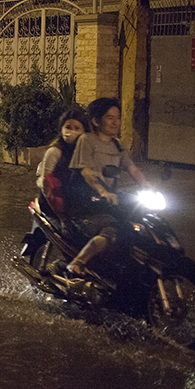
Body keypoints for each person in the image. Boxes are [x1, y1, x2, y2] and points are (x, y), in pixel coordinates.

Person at [65, 97, 149, 276]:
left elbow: (132, 168)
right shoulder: (87, 140)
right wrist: (102, 190)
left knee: (140, 224)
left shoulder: (117, 145)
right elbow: (86, 171)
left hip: (107, 201)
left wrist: (148, 186)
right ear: (96, 121)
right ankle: (77, 263)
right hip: (86, 202)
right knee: (112, 230)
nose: (115, 122)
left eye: (117, 117)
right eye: (110, 117)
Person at [36, 108, 90, 218]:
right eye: (68, 127)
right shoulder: (55, 152)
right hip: (55, 208)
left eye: (77, 128)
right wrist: (61, 214)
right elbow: (46, 184)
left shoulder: (87, 152)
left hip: (80, 205)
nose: (71, 132)